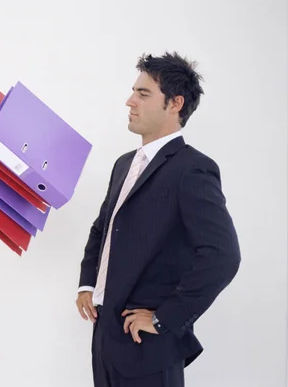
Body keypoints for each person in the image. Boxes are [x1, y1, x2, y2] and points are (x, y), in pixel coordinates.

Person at [75, 52, 241, 387]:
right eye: (133, 91)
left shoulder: (192, 169)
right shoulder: (124, 164)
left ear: (175, 103)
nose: (129, 101)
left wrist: (164, 318)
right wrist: (87, 283)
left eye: (143, 93)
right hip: (106, 337)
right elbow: (102, 229)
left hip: (148, 346)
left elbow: (222, 255)